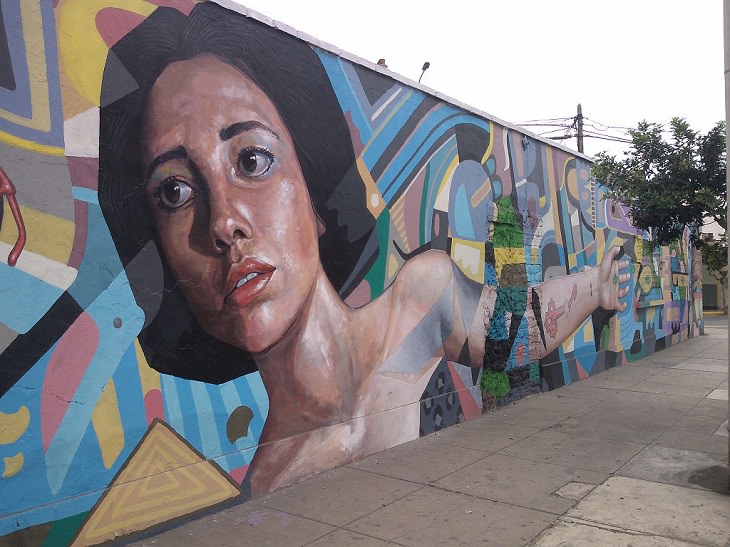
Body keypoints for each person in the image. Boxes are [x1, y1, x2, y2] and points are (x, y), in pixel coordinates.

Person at [99, 2, 630, 496]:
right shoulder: (265, 484)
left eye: (253, 160)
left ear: (315, 188)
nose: (224, 223)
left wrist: (595, 286)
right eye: (175, 192)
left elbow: (514, 336)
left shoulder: (420, 305)